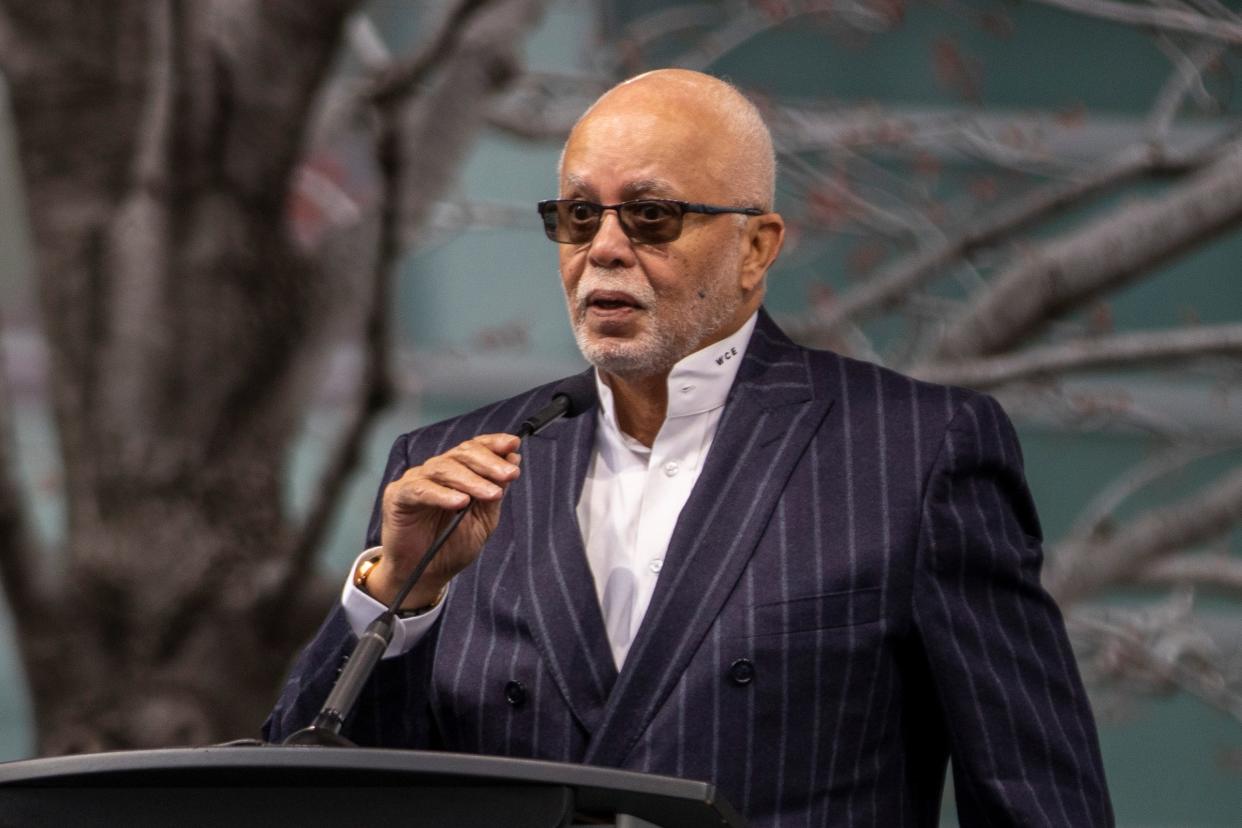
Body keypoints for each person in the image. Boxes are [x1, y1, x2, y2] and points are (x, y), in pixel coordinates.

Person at [265, 69, 1113, 826]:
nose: (603, 248)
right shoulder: (454, 464)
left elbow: (1039, 800)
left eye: (651, 215)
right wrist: (396, 596)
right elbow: (316, 790)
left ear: (756, 248)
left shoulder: (915, 454)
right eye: (578, 215)